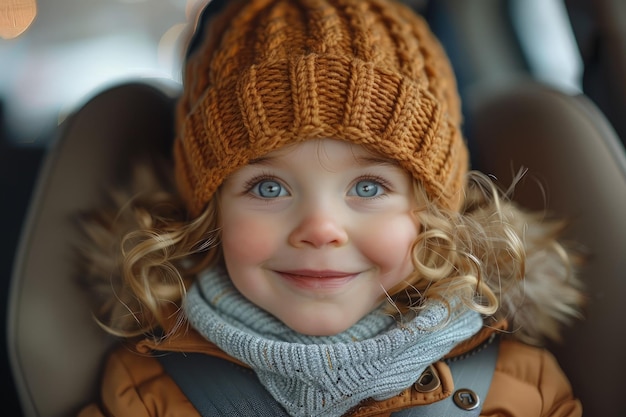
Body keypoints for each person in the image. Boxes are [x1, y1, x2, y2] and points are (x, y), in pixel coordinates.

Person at [77, 0, 585, 416]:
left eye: (367, 187)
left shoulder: (520, 387)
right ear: (211, 215)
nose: (320, 229)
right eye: (269, 188)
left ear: (433, 213)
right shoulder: (148, 393)